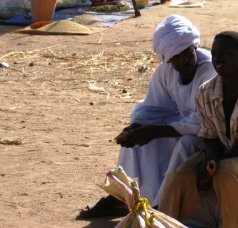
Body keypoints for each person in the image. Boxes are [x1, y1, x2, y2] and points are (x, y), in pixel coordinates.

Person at [77, 14, 216, 218]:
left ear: (194, 47)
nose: (183, 61)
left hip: (208, 135)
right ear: (167, 59)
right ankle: (122, 197)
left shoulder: (211, 71)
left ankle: (161, 206)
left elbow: (205, 121)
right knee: (137, 141)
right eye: (175, 58)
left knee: (184, 143)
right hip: (182, 126)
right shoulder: (166, 71)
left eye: (187, 54)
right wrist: (137, 127)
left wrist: (155, 131)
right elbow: (154, 107)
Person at [159, 31, 238, 228]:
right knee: (180, 177)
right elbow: (210, 136)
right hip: (222, 154)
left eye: (224, 53)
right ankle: (162, 224)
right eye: (214, 53)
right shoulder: (205, 91)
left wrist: (215, 166)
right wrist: (209, 159)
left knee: (225, 172)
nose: (216, 59)